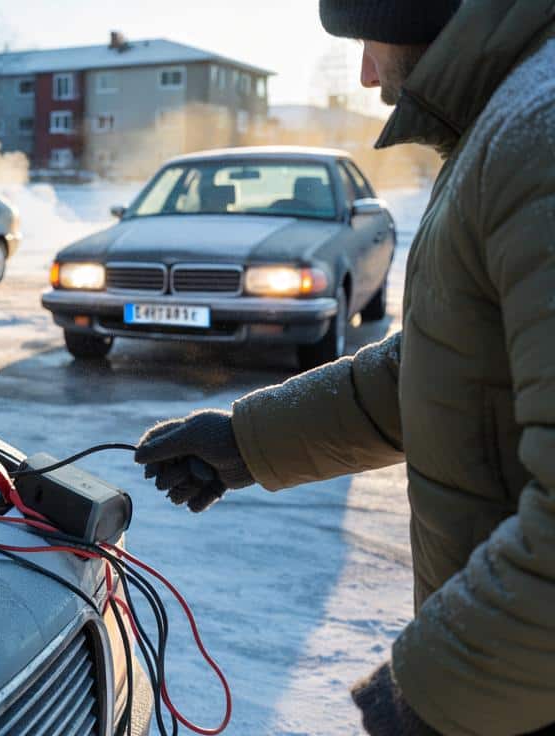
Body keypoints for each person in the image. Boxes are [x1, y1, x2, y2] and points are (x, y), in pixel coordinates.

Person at [133, 0, 555, 733]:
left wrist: (439, 689)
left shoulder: (536, 136)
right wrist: (250, 439)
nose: (365, 73)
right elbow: (445, 367)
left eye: (365, 37)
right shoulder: (513, 118)